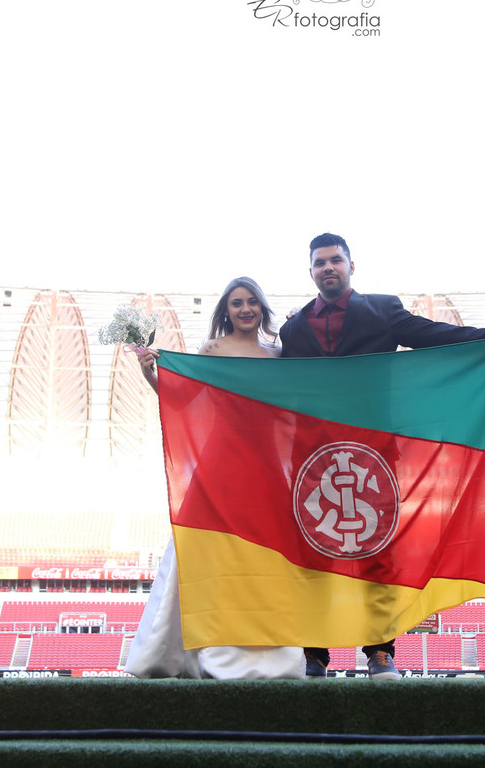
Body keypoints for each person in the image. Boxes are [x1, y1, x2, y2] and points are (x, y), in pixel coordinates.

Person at [279, 232, 485, 680]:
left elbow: (432, 335)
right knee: (313, 554)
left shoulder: (382, 309)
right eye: (320, 262)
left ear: (351, 265)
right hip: (315, 455)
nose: (328, 268)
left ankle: (380, 651)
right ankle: (313, 655)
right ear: (311, 271)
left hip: (374, 451)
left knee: (378, 552)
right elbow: (270, 383)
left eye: (335, 260)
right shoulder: (293, 328)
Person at [125, 277, 304, 680]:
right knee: (200, 550)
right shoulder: (213, 350)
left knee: (266, 557)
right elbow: (183, 399)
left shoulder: (279, 353)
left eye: (252, 302)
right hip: (221, 463)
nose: (245, 309)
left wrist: (300, 324)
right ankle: (181, 655)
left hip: (266, 467)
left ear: (262, 308)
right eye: (237, 303)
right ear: (226, 311)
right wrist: (150, 373)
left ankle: (274, 659)